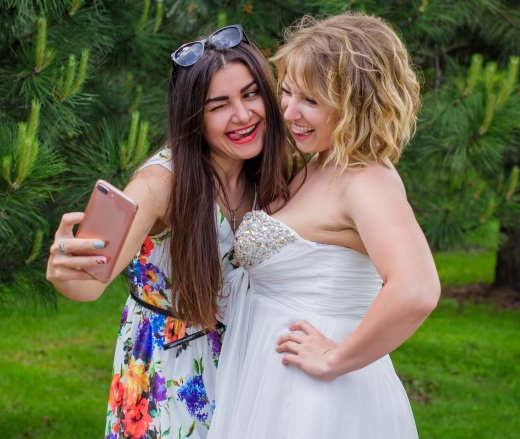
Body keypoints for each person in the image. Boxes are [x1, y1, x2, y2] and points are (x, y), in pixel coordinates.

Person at [45, 24, 291, 439]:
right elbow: (89, 284)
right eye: (219, 105)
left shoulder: (266, 173)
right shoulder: (161, 183)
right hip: (166, 372)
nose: (243, 115)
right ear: (194, 117)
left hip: (242, 362)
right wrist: (67, 268)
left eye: (250, 94)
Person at [208, 13, 440, 439]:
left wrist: (334, 359)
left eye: (311, 101)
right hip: (268, 376)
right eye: (287, 91)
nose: (289, 111)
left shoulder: (366, 180)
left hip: (312, 397)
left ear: (357, 104)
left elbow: (417, 289)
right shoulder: (318, 162)